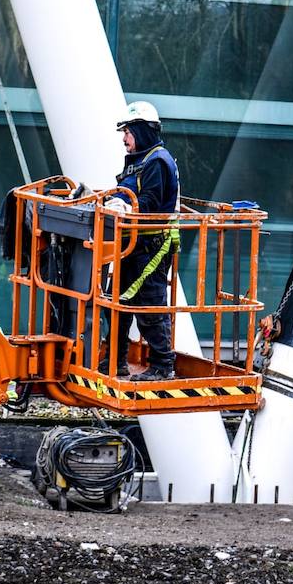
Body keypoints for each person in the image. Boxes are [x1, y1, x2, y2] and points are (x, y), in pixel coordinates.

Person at [102, 100, 180, 382]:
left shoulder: (157, 161)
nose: (124, 139)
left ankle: (163, 366)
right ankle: (116, 360)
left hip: (152, 246)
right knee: (117, 303)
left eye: (128, 132)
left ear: (142, 131)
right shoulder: (140, 161)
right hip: (133, 245)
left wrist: (124, 208)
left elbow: (149, 203)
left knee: (149, 306)